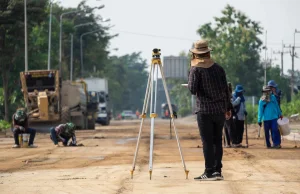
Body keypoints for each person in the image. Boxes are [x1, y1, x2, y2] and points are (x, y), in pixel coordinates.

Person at [188, 40, 232, 181]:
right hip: (219, 110)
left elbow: (192, 90)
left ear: (196, 55)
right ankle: (217, 171)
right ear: (208, 52)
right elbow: (226, 90)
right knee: (217, 141)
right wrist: (228, 108)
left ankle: (208, 171)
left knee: (207, 142)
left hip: (204, 111)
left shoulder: (196, 70)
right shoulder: (218, 68)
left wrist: (190, 75)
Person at [223, 82, 236, 148]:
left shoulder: (227, 95)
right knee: (229, 128)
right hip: (227, 112)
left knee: (227, 127)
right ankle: (230, 142)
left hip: (226, 112)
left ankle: (228, 143)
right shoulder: (227, 95)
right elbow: (229, 104)